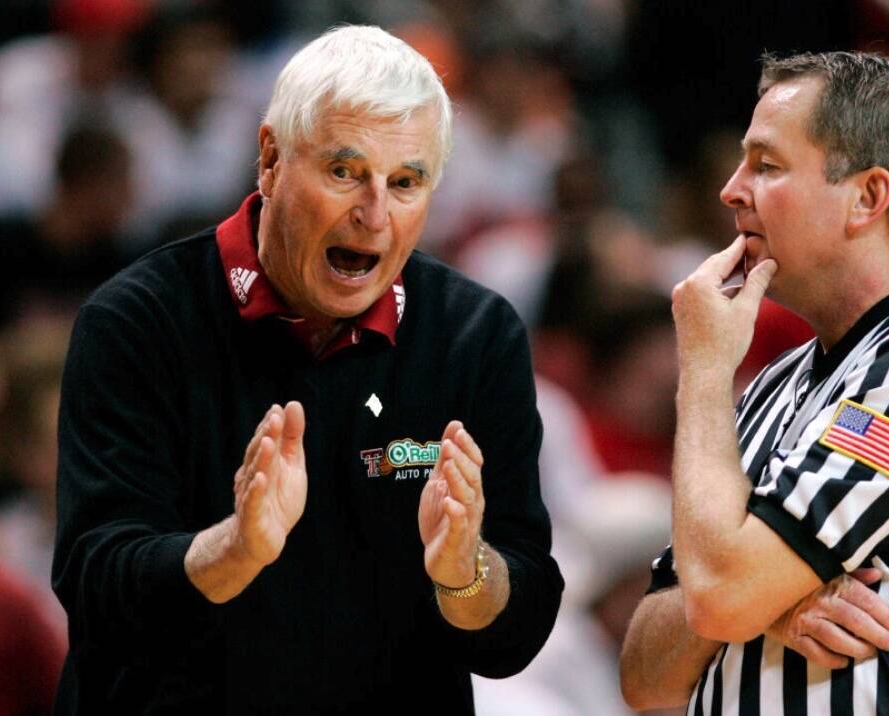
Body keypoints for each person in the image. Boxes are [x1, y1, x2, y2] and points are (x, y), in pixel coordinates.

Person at [51, 25, 563, 713]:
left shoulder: (476, 336)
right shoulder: (138, 321)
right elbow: (95, 587)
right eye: (344, 172)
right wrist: (238, 549)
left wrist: (462, 573)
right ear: (270, 159)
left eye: (405, 183)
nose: (374, 215)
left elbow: (518, 628)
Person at [619, 52, 889, 714]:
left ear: (867, 198)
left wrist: (706, 370)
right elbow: (644, 676)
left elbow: (719, 597)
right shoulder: (772, 387)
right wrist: (773, 605)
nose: (731, 190)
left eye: (766, 165)